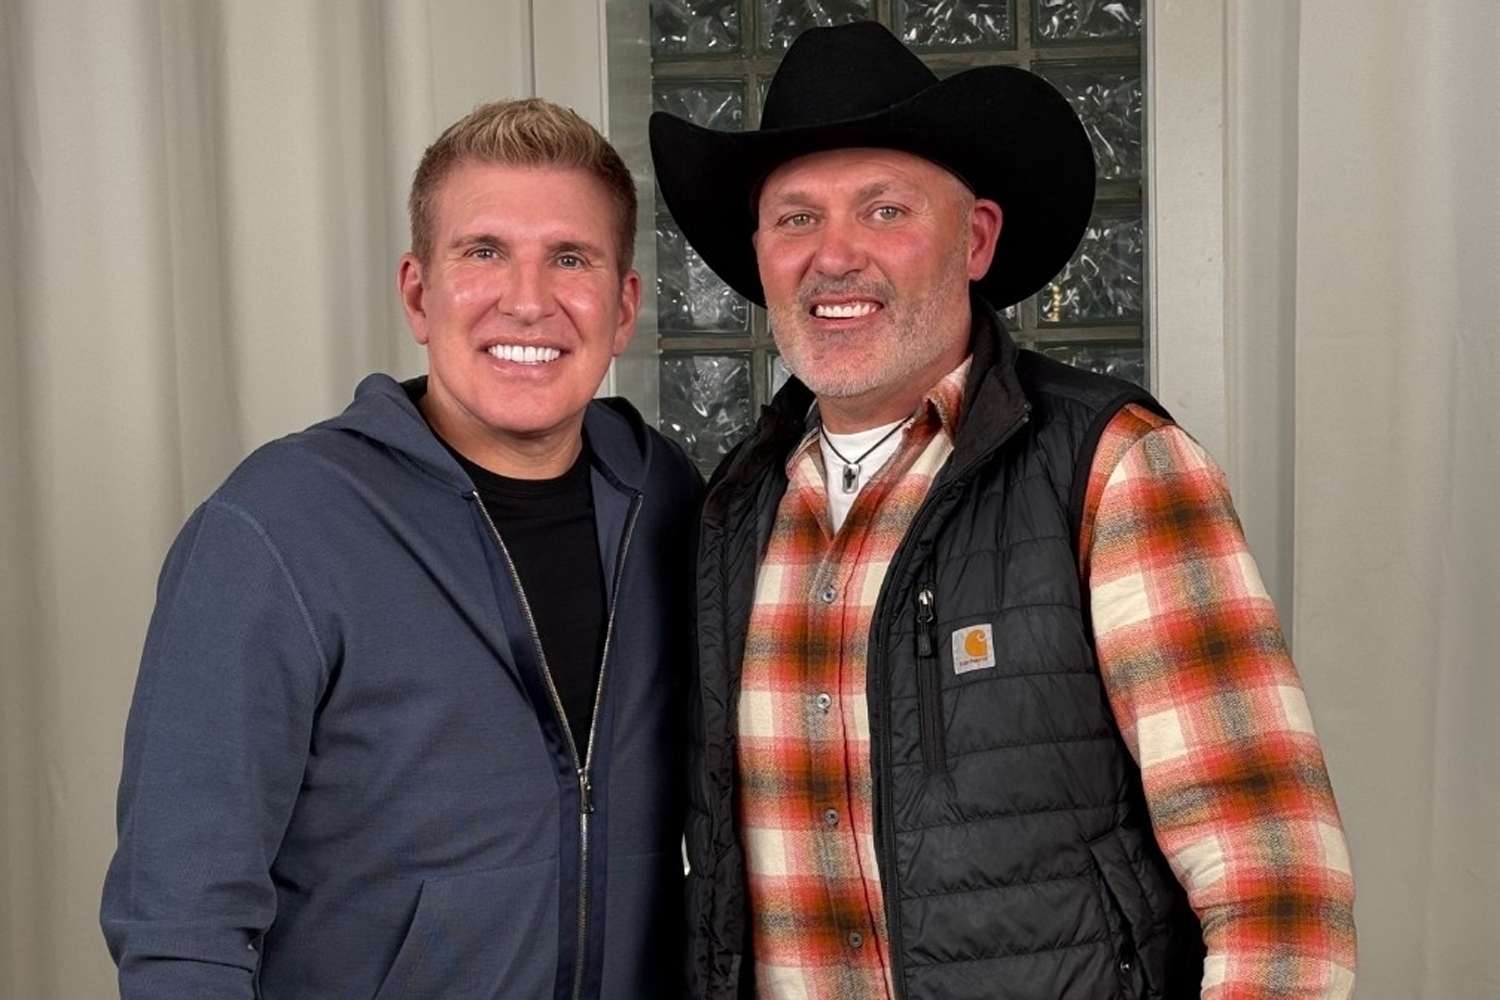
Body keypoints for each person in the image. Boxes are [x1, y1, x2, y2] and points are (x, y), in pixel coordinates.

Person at [651, 22, 1355, 1000]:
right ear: (760, 254)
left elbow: (1277, 888)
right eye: (796, 218)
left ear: (975, 238)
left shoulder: (1114, 469)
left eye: (885, 209)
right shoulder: (732, 513)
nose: (834, 254)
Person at [101, 98, 700, 999]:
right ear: (419, 294)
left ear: (622, 308)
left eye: (570, 258)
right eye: (484, 252)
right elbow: (179, 924)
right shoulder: (279, 527)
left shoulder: (667, 501)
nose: (528, 300)